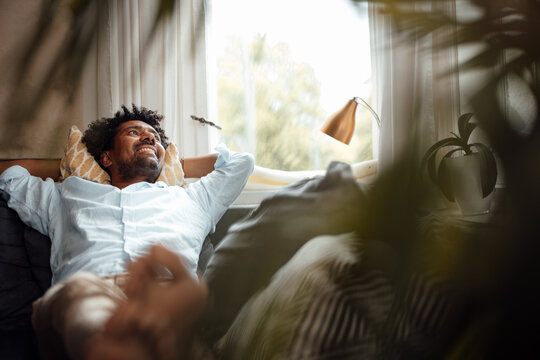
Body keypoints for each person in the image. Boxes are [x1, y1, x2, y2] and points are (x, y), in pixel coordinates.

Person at [0, 105, 254, 359]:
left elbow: (241, 163)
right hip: (88, 290)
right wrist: (68, 164)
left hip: (166, 296)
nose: (149, 137)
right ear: (107, 158)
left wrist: (167, 160)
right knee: (85, 307)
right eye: (134, 132)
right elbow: (10, 175)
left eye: (154, 137)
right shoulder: (67, 193)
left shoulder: (192, 199)